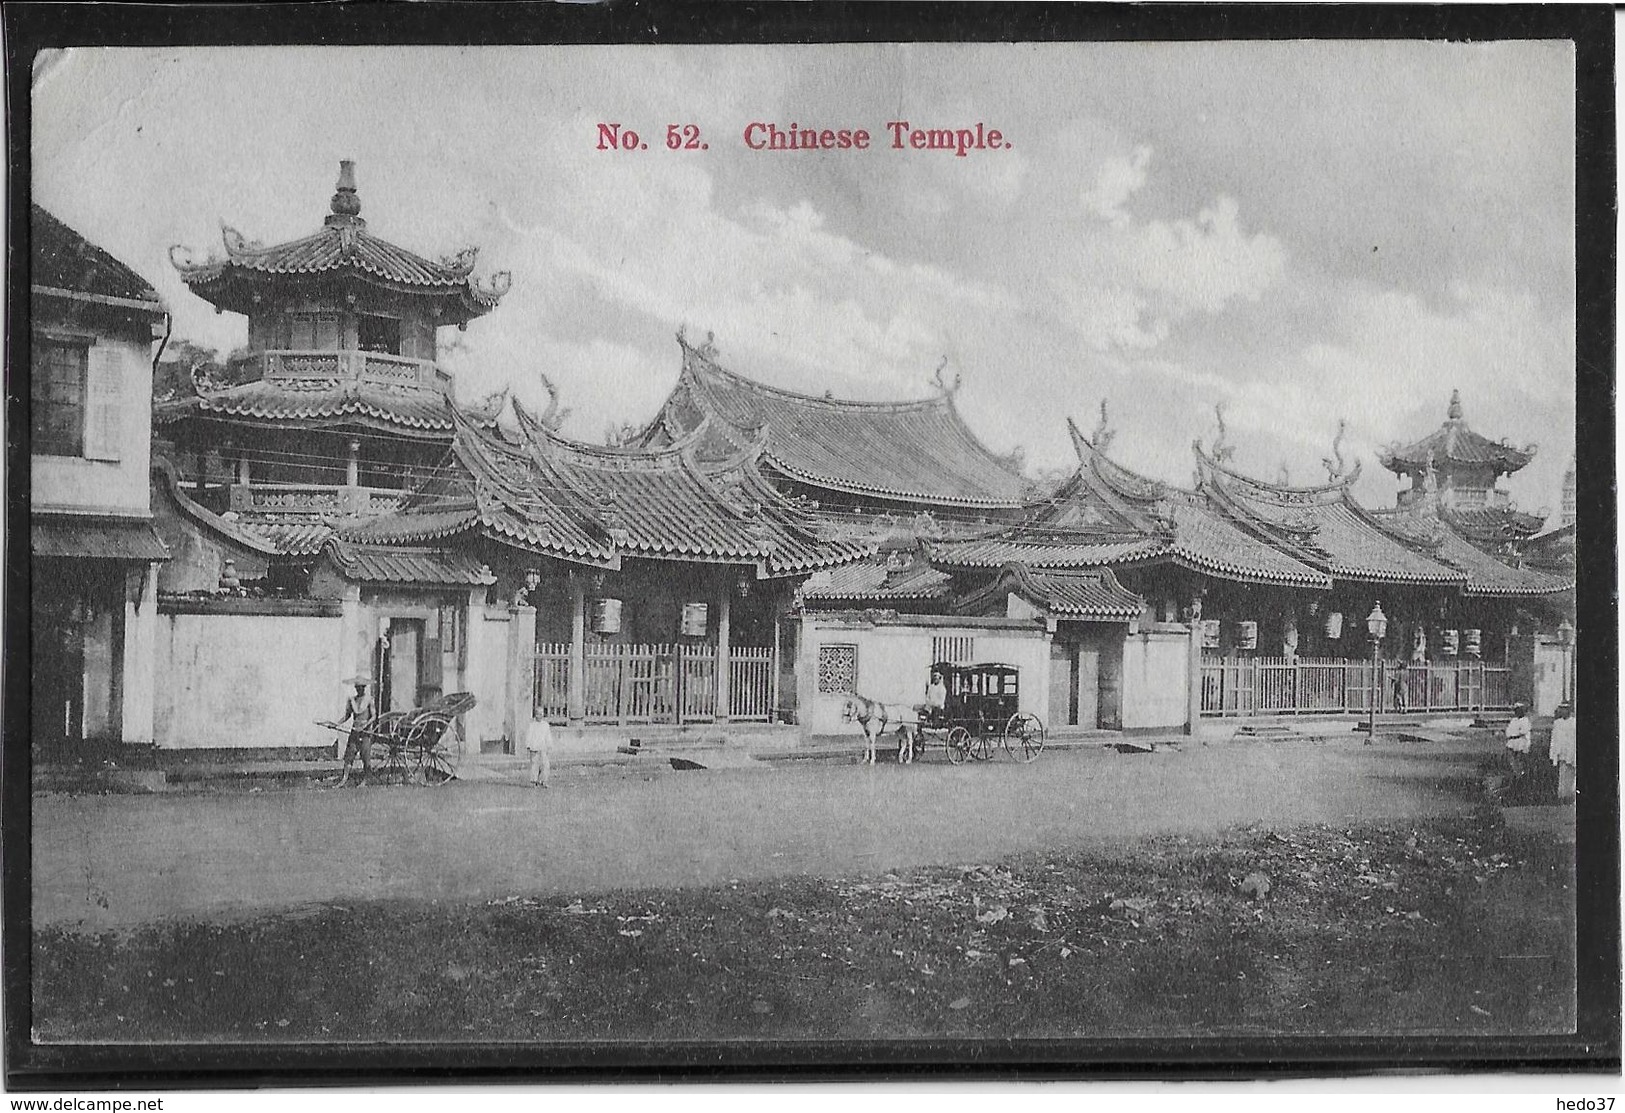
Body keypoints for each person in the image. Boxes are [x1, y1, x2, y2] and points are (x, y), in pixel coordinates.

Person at [335, 677, 375, 788]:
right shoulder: (352, 700)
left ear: (364, 688)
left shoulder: (369, 699)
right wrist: (337, 723)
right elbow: (347, 716)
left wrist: (366, 725)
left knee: (365, 755)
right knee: (349, 754)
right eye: (357, 687)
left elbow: (373, 716)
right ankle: (344, 778)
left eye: (361, 688)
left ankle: (367, 778)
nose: (359, 690)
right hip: (355, 730)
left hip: (365, 732)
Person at [1503, 700, 1533, 798]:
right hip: (1512, 743)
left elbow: (1523, 732)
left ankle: (1521, 783)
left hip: (1521, 743)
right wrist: (1513, 734)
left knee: (1520, 763)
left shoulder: (1525, 720)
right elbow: (1508, 732)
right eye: (1516, 710)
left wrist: (1515, 734)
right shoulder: (1514, 721)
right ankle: (1514, 781)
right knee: (1512, 763)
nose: (1517, 712)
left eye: (1519, 710)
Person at [1548, 703, 1577, 803]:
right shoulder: (1557, 723)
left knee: (1572, 774)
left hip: (1571, 750)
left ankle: (1572, 796)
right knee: (1563, 774)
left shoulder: (1574, 722)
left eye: (1565, 709)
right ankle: (1562, 796)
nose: (1563, 711)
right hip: (1561, 751)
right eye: (1562, 709)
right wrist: (1553, 753)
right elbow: (1554, 739)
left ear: (1569, 710)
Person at [526, 714, 553, 789]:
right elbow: (529, 735)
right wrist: (528, 745)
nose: (540, 716)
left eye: (541, 714)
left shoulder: (545, 725)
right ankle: (534, 781)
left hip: (543, 747)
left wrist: (549, 745)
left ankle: (543, 781)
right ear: (535, 715)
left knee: (545, 765)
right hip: (534, 747)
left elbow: (548, 736)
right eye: (538, 714)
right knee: (534, 765)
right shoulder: (532, 725)